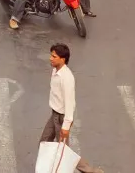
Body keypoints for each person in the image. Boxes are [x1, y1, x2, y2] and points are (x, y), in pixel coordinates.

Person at [40, 44, 104, 173]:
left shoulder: (67, 78)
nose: (50, 58)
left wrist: (66, 125)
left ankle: (90, 171)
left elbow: (70, 102)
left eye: (54, 56)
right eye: (51, 55)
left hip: (61, 118)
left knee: (64, 152)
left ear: (62, 59)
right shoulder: (55, 70)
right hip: (54, 115)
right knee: (44, 142)